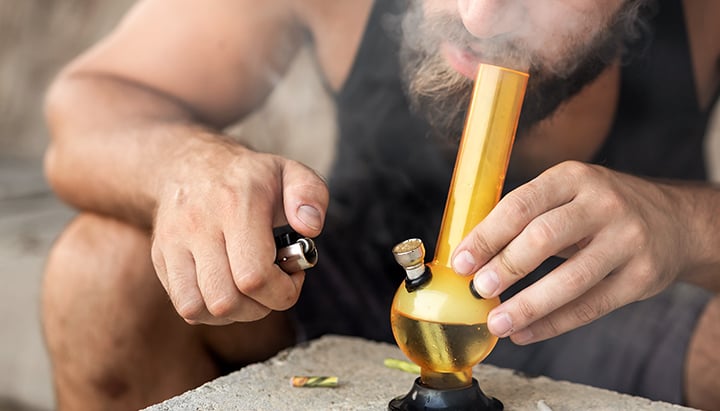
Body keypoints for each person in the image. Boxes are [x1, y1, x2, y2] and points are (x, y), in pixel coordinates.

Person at [42, 0, 720, 409]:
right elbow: (89, 102)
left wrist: (686, 223)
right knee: (99, 269)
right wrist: (184, 165)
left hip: (630, 317)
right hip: (340, 284)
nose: (480, 18)